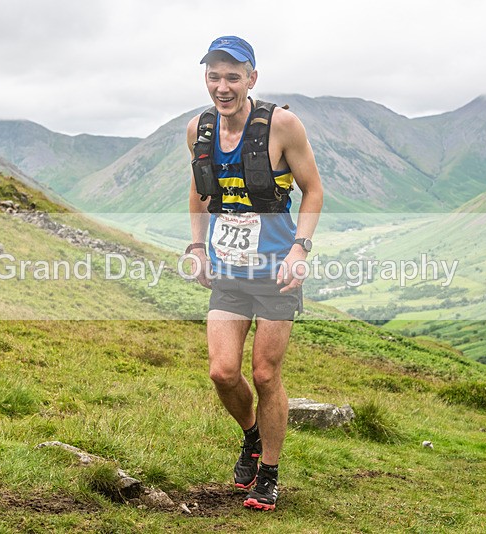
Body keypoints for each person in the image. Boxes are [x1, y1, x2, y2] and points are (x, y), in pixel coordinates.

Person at [187, 36, 324, 511]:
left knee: (265, 375)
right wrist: (196, 247)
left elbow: (312, 191)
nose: (222, 87)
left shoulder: (282, 125)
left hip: (275, 271)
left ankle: (268, 471)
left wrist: (300, 250)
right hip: (227, 269)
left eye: (232, 77)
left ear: (251, 78)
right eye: (214, 76)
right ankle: (250, 437)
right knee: (223, 372)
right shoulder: (198, 130)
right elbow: (200, 193)